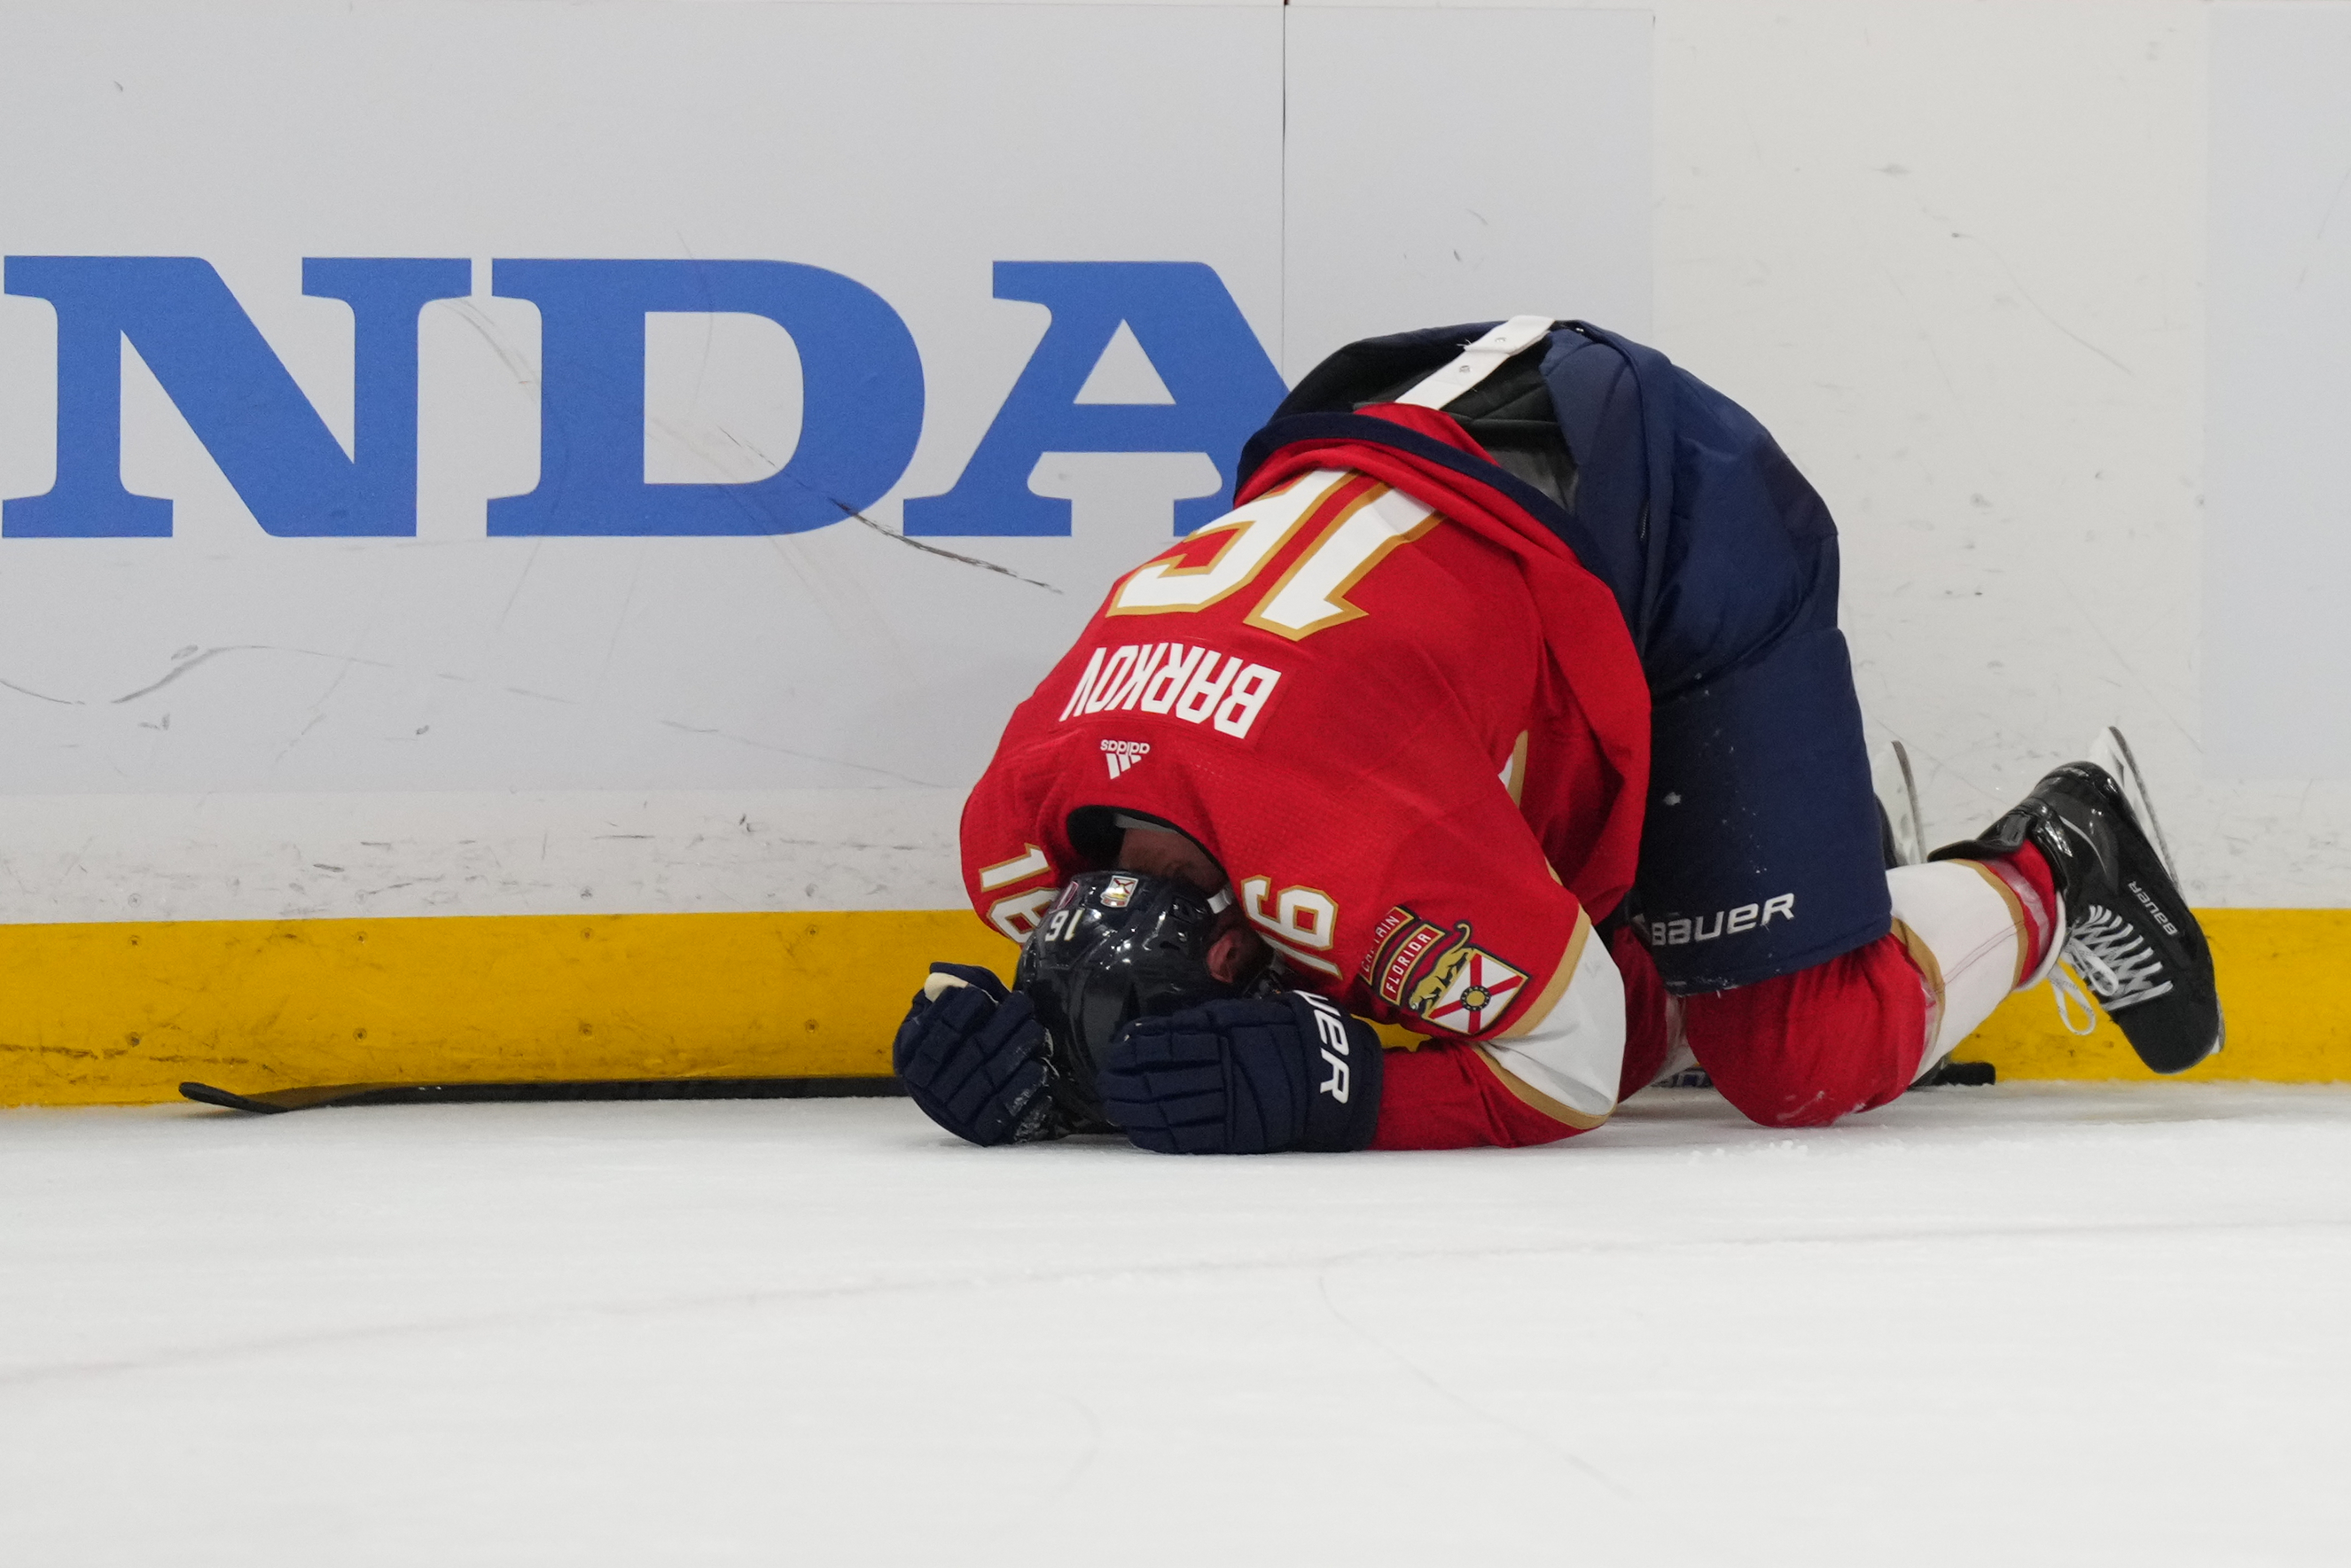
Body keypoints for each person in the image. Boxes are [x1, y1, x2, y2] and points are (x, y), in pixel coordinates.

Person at [893, 317, 2222, 1153]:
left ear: (1245, 941)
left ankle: (2059, 856)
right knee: (1507, 962)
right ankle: (1769, 877)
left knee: (1793, 1053)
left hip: (1663, 508)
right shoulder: (1011, 835)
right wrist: (1047, 1065)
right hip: (1402, 437)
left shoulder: (1350, 849)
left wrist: (1342, 1091)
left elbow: (1575, 1062)